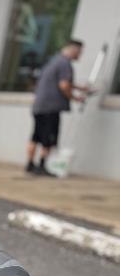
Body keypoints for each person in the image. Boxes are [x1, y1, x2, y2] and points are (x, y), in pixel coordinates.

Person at [26, 39, 89, 176]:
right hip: (51, 107)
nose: (80, 55)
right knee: (48, 137)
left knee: (36, 136)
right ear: (73, 49)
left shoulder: (52, 61)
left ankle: (30, 165)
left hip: (39, 106)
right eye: (80, 52)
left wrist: (79, 87)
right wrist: (75, 98)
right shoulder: (65, 64)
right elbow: (64, 85)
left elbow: (59, 81)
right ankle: (42, 166)